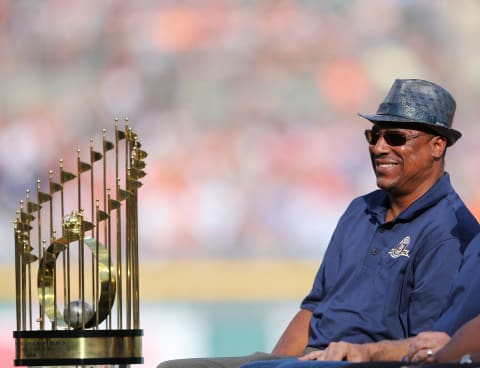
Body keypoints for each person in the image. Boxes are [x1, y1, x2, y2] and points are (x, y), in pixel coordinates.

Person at [156, 78, 480, 368]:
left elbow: (429, 347)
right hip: (312, 357)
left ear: (437, 145)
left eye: (395, 137)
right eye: (374, 135)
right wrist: (276, 363)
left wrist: (363, 353)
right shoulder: (360, 209)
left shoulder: (452, 231)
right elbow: (313, 309)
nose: (379, 147)